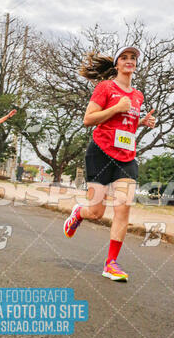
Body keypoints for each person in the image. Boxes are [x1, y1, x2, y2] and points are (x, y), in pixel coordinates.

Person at [63, 46, 156, 282]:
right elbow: (88, 120)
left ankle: (111, 263)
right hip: (101, 153)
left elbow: (126, 127)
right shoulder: (105, 87)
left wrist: (142, 122)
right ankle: (78, 213)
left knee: (123, 207)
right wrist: (116, 107)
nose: (129, 61)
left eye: (133, 58)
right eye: (124, 57)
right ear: (116, 64)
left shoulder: (138, 95)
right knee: (96, 211)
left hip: (126, 156)